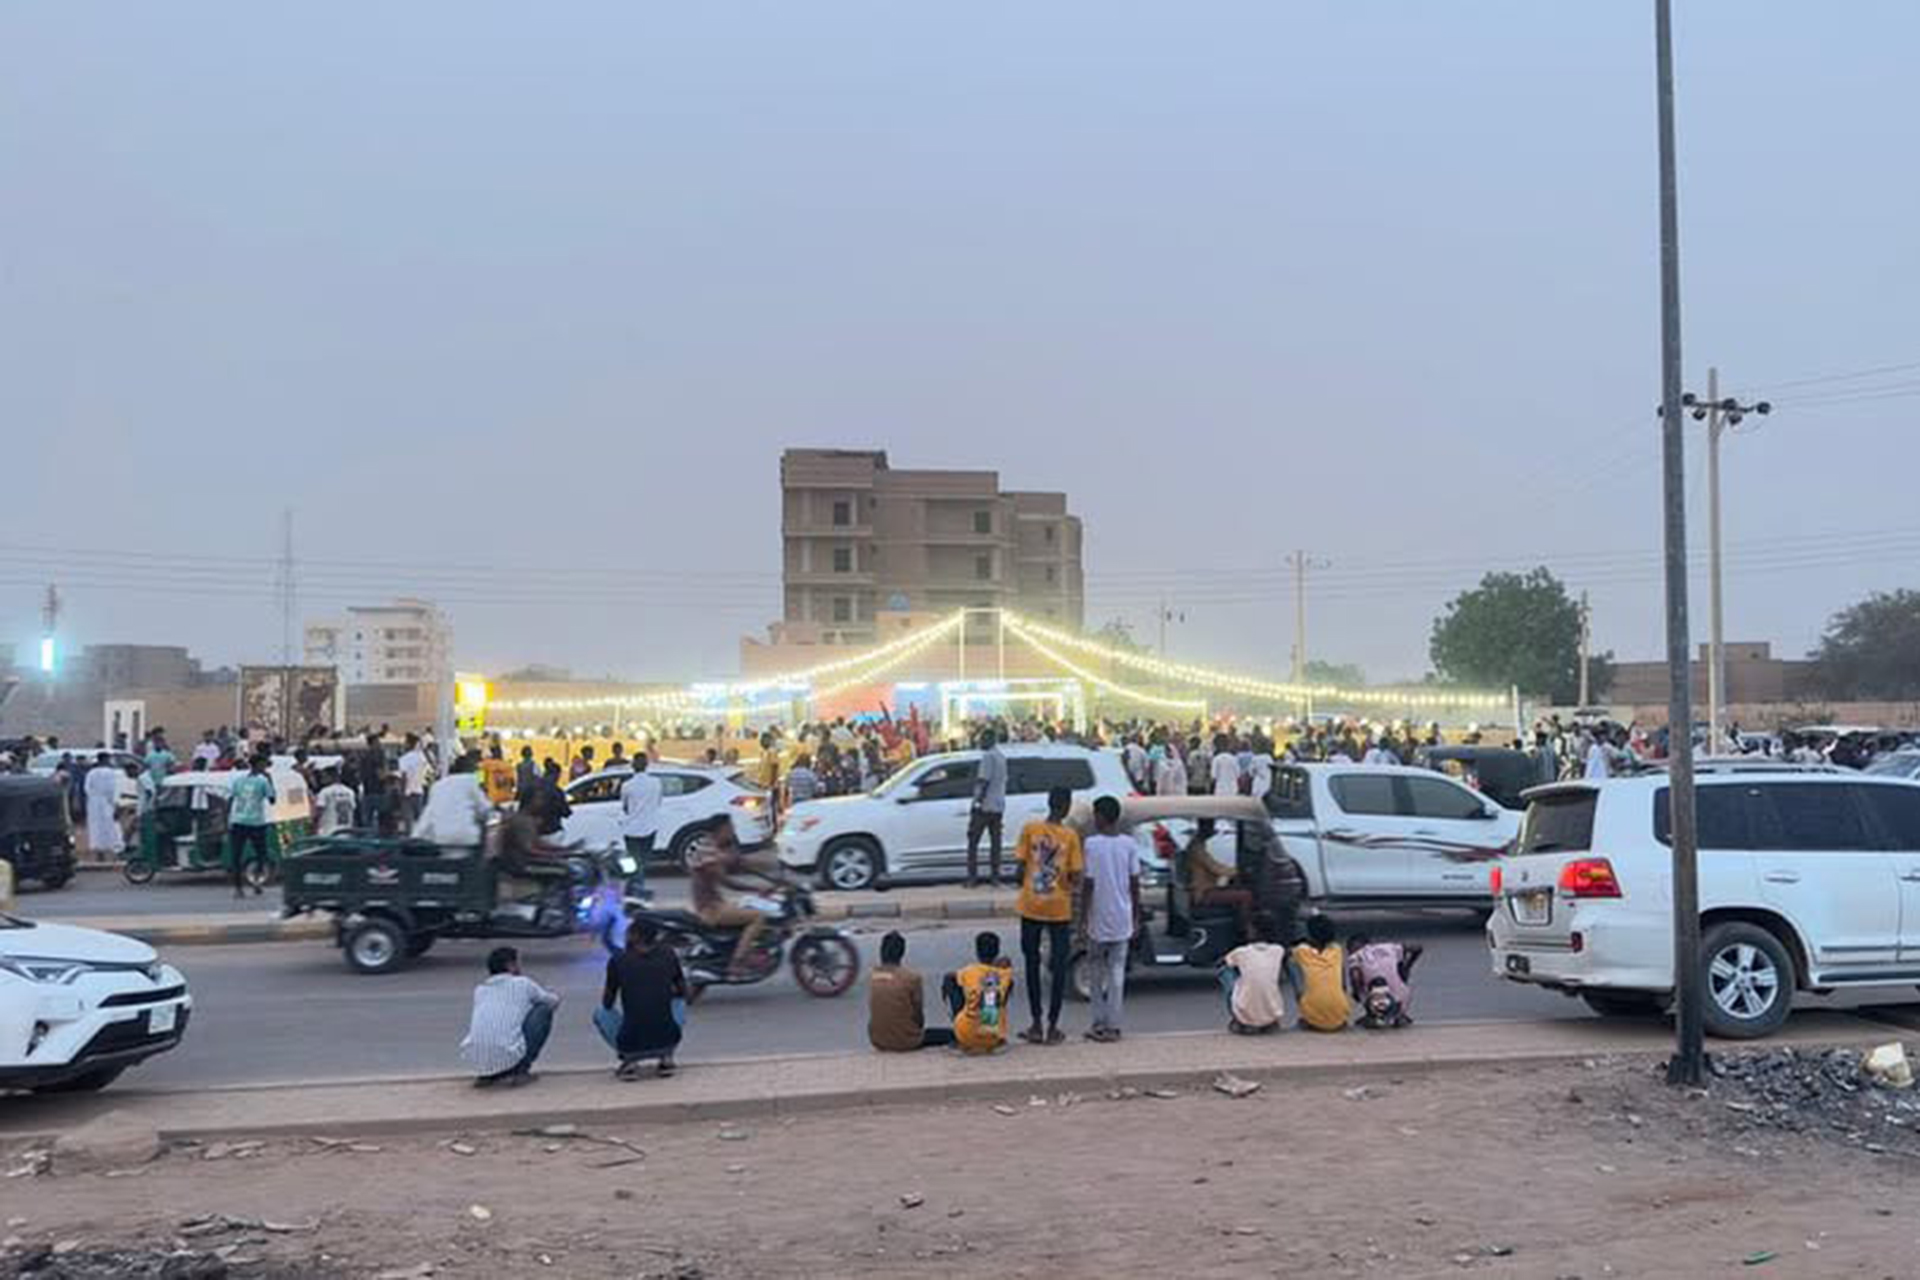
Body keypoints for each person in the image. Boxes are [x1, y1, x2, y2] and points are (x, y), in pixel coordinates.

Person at [1012, 786, 1083, 1046]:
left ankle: (1035, 1023)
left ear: (1049, 802)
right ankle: (1053, 1026)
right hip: (1059, 909)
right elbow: (1076, 875)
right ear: (1066, 807)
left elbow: (1019, 870)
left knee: (1031, 963)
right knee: (1059, 966)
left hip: (1031, 905)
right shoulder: (1070, 836)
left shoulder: (1030, 829)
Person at [1080, 795, 1140, 1043]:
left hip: (1099, 918)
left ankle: (1098, 1023)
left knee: (1096, 973)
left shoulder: (1091, 845)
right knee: (1117, 974)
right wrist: (1136, 916)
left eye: (1095, 814)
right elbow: (1135, 883)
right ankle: (1114, 1025)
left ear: (1102, 817)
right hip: (1122, 918)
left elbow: (1089, 883)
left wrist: (1083, 918)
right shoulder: (1129, 844)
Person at [595, 919, 687, 1079]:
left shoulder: (618, 960)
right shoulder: (669, 954)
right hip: (667, 1039)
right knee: (679, 1003)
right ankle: (666, 1058)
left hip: (630, 1042)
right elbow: (682, 991)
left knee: (601, 1012)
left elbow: (607, 1002)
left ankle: (629, 1061)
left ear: (633, 936)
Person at [460, 946, 561, 1088]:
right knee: (543, 1011)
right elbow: (553, 1002)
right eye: (518, 963)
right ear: (511, 966)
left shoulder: (480, 990)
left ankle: (486, 1076)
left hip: (476, 1060)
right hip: (508, 1056)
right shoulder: (523, 983)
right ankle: (519, 1071)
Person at [687, 815, 770, 979]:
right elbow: (728, 882)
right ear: (721, 830)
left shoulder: (709, 846)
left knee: (748, 906)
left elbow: (738, 862)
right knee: (758, 917)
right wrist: (757, 888)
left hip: (715, 904)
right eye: (730, 828)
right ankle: (737, 962)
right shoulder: (708, 851)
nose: (733, 831)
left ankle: (747, 950)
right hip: (711, 910)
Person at [868, 931, 955, 1051]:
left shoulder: (874, 975)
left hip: (877, 1040)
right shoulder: (912, 978)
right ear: (902, 953)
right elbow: (918, 1015)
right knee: (951, 1034)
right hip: (906, 1041)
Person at [941, 931, 1015, 1055]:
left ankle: (958, 1024)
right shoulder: (1005, 974)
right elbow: (999, 978)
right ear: (997, 952)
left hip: (965, 1034)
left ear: (977, 952)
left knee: (951, 982)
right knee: (1000, 991)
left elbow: (949, 977)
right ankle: (993, 1024)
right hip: (993, 1038)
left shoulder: (969, 971)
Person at [1186, 818, 1254, 940]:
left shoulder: (1197, 845)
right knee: (1246, 895)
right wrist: (1237, 871)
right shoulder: (1197, 847)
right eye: (1210, 826)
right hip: (1204, 892)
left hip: (1208, 888)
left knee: (1237, 888)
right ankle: (1246, 930)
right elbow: (1215, 868)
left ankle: (1239, 925)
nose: (1213, 830)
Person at [414, 754, 490, 850]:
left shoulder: (437, 785)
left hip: (441, 837)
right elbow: (485, 808)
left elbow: (428, 814)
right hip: (466, 837)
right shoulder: (471, 780)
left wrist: (416, 836)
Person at [1291, 913, 1352, 1032]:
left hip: (1313, 1016)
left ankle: (1311, 1016)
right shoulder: (1337, 950)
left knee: (1293, 968)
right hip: (1340, 1014)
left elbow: (1292, 955)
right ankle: (1335, 1014)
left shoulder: (1300, 952)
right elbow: (1343, 985)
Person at [1347, 933, 1422, 1029]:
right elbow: (1417, 948)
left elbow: (1355, 977)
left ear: (1353, 947)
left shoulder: (1356, 956)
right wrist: (1407, 967)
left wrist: (1356, 993)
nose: (1349, 953)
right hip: (1401, 1000)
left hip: (1377, 1001)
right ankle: (1398, 1014)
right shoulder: (1389, 947)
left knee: (1361, 987)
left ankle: (1374, 1016)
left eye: (1349, 950)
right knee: (1396, 975)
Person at [227, 755, 276, 897]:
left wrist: (228, 819)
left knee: (236, 856)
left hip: (238, 821)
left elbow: (230, 800)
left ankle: (238, 888)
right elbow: (272, 800)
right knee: (261, 854)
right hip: (256, 823)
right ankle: (256, 882)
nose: (265, 767)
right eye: (263, 764)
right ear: (258, 765)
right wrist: (270, 780)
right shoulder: (263, 781)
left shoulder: (239, 780)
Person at [965, 729, 1008, 887]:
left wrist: (977, 802)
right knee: (995, 843)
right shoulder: (1001, 757)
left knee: (973, 842)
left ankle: (972, 878)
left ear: (989, 739)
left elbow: (983, 781)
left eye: (982, 739)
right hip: (998, 805)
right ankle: (995, 877)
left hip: (985, 806)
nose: (980, 742)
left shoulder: (988, 757)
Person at [618, 753, 663, 900]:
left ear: (633, 766)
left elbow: (625, 807)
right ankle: (635, 888)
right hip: (650, 827)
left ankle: (635, 888)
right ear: (646, 765)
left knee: (634, 861)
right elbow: (658, 802)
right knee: (642, 861)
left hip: (631, 828)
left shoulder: (626, 785)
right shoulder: (656, 783)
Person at [1220, 937, 1288, 1034]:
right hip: (1273, 1013)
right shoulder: (1279, 950)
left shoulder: (1241, 951)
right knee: (1268, 980)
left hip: (1245, 1015)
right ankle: (1269, 1021)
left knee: (1224, 971)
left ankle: (1241, 1020)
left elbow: (1225, 962)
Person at [83, 751, 125, 860]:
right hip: (107, 802)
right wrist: (115, 803)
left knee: (96, 826)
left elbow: (87, 788)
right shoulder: (111, 773)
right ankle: (114, 850)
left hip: (94, 803)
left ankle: (99, 850)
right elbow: (113, 789)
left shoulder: (91, 773)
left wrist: (94, 797)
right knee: (111, 825)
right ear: (105, 760)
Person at [397, 733, 430, 826]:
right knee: (420, 821)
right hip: (419, 791)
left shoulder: (404, 759)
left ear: (408, 743)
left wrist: (402, 792)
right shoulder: (422, 758)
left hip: (408, 793)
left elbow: (404, 777)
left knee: (409, 822)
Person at [314, 768, 358, 837]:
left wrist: (315, 824)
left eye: (324, 776)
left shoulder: (324, 792)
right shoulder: (350, 791)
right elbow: (353, 809)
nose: (321, 779)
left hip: (329, 832)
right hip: (346, 831)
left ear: (331, 777)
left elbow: (319, 810)